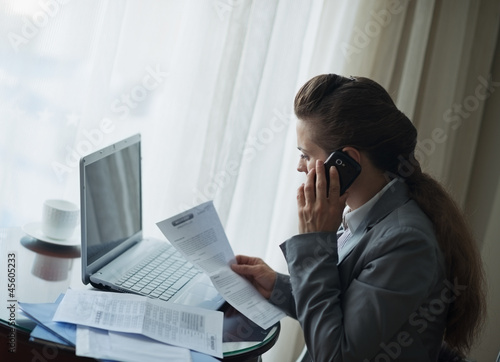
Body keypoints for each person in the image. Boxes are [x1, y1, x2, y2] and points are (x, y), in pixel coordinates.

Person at [231, 74, 486, 361]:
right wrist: (279, 287)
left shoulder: (406, 243)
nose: (300, 166)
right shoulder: (367, 215)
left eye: (305, 154)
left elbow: (337, 354)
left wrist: (314, 241)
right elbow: (346, 310)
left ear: (345, 160)